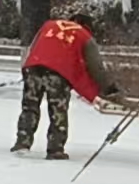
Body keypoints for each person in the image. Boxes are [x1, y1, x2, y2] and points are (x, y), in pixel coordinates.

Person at [14, 10, 120, 160]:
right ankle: (55, 149)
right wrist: (108, 87)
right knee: (58, 110)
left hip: (34, 66)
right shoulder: (84, 35)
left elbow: (34, 47)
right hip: (58, 72)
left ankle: (22, 142)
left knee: (30, 106)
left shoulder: (49, 25)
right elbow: (95, 66)